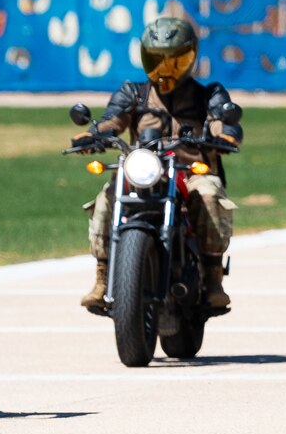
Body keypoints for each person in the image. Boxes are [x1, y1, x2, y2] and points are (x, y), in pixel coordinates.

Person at [80, 16, 241, 313]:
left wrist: (226, 135)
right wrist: (93, 136)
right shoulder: (134, 93)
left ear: (190, 58)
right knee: (107, 194)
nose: (165, 69)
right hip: (144, 170)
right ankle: (103, 276)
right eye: (156, 60)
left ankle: (213, 277)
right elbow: (112, 120)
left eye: (174, 61)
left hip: (189, 172)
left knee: (208, 193)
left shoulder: (208, 95)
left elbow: (220, 122)